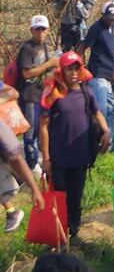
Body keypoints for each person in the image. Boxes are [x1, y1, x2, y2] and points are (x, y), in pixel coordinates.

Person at [38, 51, 110, 239]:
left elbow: (97, 113)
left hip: (80, 157)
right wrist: (46, 158)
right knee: (59, 199)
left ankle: (74, 235)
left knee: (76, 199)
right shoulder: (53, 93)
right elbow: (43, 126)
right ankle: (58, 237)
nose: (74, 73)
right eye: (69, 69)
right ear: (62, 71)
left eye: (76, 69)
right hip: (58, 158)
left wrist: (106, 131)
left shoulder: (86, 92)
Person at [17, 15, 60, 169]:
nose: (40, 32)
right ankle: (31, 163)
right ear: (31, 30)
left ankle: (37, 158)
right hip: (30, 95)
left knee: (41, 128)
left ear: (47, 30)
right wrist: (48, 64)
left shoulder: (45, 47)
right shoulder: (27, 48)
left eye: (43, 29)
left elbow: (48, 71)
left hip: (43, 94)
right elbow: (26, 74)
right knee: (31, 130)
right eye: (37, 29)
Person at [77, 2, 114, 137]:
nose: (110, 21)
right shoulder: (96, 28)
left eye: (113, 19)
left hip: (108, 76)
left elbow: (108, 52)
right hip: (97, 74)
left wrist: (112, 72)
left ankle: (109, 142)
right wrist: (79, 70)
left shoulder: (112, 28)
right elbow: (81, 48)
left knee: (111, 110)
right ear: (103, 15)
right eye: (108, 18)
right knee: (101, 110)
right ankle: (98, 140)